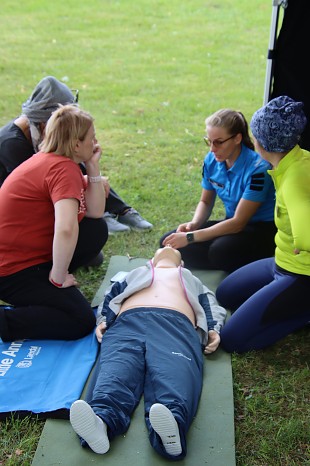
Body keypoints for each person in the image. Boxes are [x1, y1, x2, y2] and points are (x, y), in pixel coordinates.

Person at [69, 246, 226, 460]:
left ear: (181, 264)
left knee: (174, 372)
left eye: (173, 249)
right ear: (151, 261)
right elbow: (112, 294)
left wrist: (212, 329)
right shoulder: (135, 274)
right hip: (127, 323)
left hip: (176, 324)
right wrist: (104, 320)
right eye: (163, 247)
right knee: (116, 369)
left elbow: (210, 304)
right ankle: (101, 421)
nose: (169, 246)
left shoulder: (191, 278)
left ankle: (171, 427)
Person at [0, 104, 108, 342]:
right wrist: (59, 276)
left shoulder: (53, 161)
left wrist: (93, 167)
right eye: (92, 137)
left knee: (95, 230)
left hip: (22, 260)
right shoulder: (62, 169)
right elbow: (66, 228)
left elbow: (96, 212)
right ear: (76, 144)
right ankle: (5, 322)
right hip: (10, 272)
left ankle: (50, 282)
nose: (96, 142)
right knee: (80, 320)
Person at [0, 76, 153, 235]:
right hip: (23, 214)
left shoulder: (38, 133)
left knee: (75, 155)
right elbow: (39, 186)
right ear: (46, 124)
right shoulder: (11, 144)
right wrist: (88, 182)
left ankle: (120, 210)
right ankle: (95, 211)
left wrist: (91, 173)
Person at [216, 96, 310, 353]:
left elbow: (306, 237)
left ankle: (304, 311)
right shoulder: (295, 159)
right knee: (226, 294)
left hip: (301, 275)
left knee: (232, 340)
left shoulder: (293, 181)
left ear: (263, 142)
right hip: (279, 262)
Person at [160, 109, 277, 272]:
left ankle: (249, 259)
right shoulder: (212, 160)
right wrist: (195, 224)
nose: (212, 149)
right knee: (167, 242)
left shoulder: (258, 169)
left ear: (237, 138)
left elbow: (238, 223)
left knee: (220, 251)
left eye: (219, 142)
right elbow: (206, 201)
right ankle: (226, 261)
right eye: (209, 141)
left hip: (260, 229)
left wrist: (190, 237)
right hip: (231, 224)